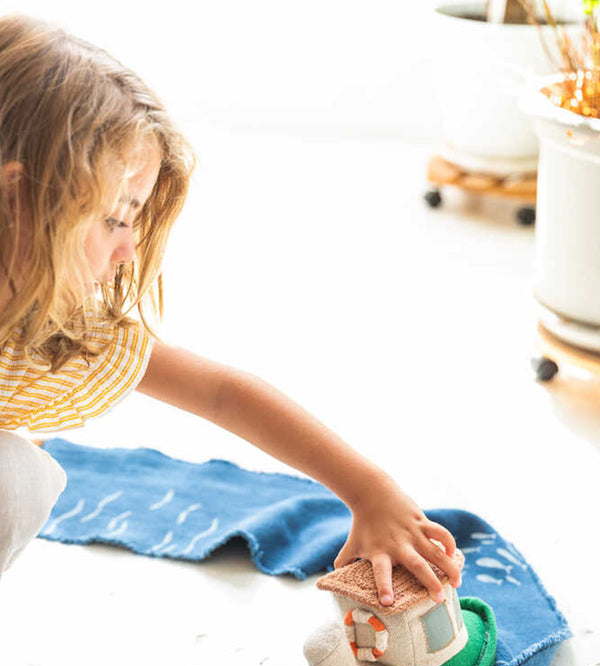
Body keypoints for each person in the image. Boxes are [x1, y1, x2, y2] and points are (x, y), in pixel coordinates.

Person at [0, 14, 461, 605]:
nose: (128, 249)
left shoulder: (51, 330)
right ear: (17, 195)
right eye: (114, 217)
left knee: (20, 477)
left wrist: (370, 491)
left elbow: (220, 392)